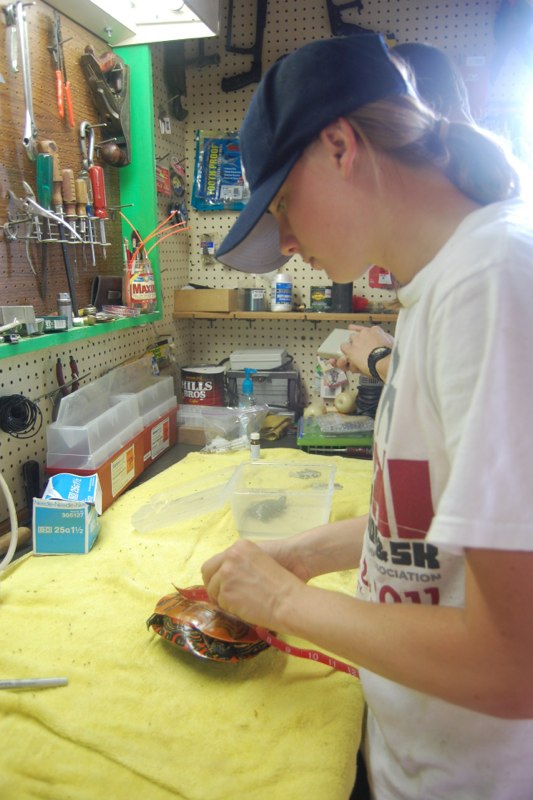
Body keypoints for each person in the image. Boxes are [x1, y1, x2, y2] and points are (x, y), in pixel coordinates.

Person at [202, 34, 533, 799]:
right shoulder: (440, 286)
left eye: (281, 203)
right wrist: (305, 554)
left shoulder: (490, 282)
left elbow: (513, 664)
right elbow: (439, 526)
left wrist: (285, 603)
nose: (284, 243)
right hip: (414, 757)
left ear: (340, 145)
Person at [338, 41, 473, 383]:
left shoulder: (481, 255)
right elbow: (449, 367)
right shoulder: (441, 249)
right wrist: (392, 351)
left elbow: (460, 392)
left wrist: (379, 359)